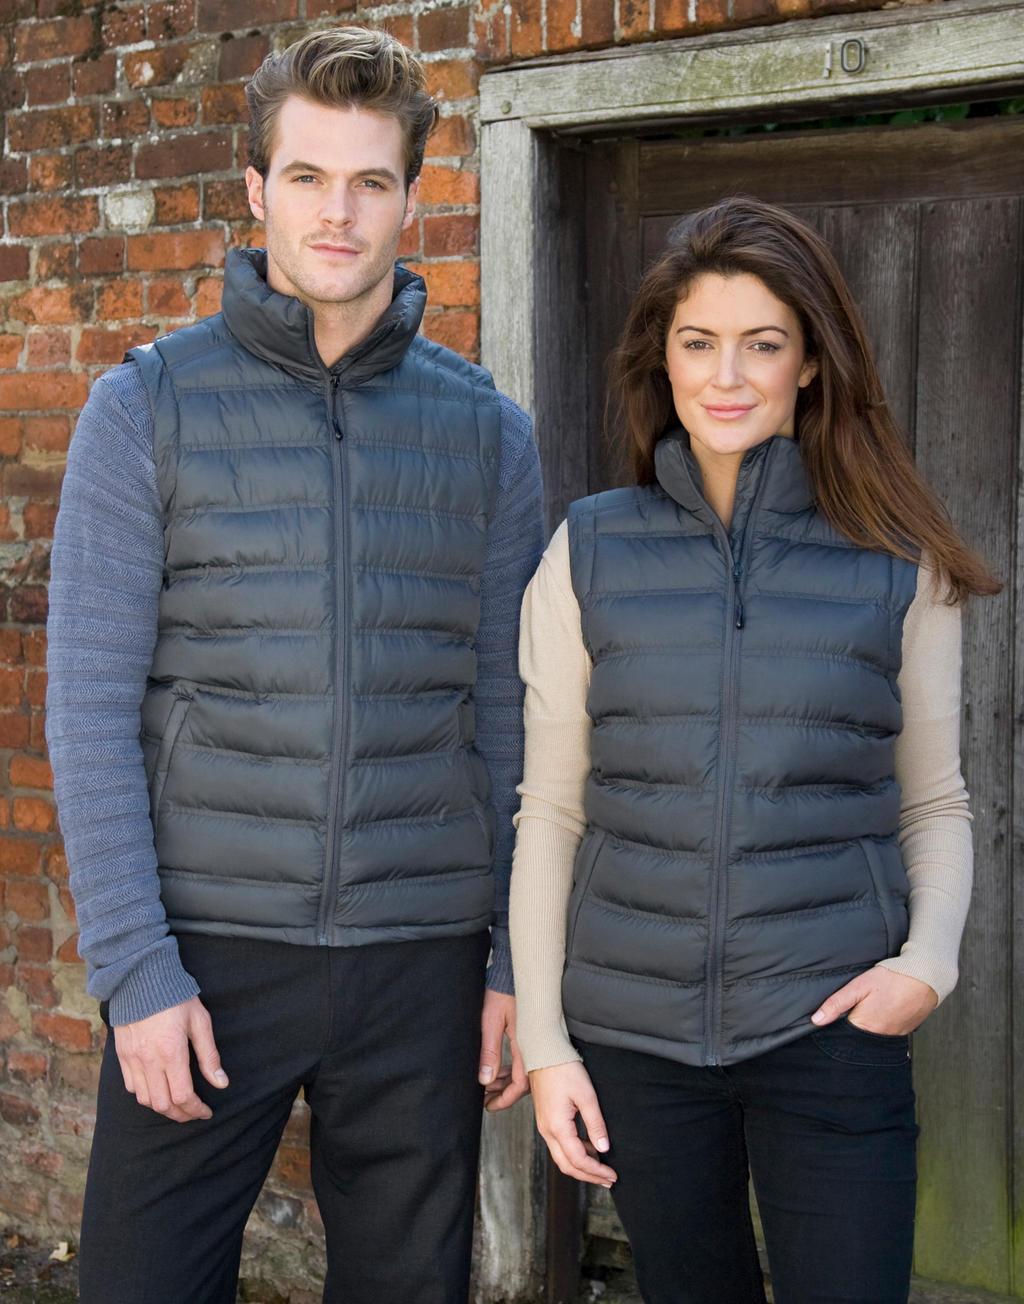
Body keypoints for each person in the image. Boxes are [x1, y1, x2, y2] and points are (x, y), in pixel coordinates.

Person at [45, 25, 542, 1304]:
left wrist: (509, 963)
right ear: (256, 188)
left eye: (371, 181)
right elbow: (88, 713)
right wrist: (135, 973)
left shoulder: (489, 433)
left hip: (421, 955)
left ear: (410, 199)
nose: (338, 212)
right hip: (207, 953)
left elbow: (509, 713)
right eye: (308, 176)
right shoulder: (143, 409)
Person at [509, 196, 998, 1304]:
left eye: (762, 344)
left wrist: (926, 966)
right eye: (699, 343)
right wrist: (547, 1044)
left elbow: (934, 800)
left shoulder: (898, 561)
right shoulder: (588, 549)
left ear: (811, 362)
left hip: (831, 1029)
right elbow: (552, 809)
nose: (726, 375)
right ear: (663, 357)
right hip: (635, 1042)